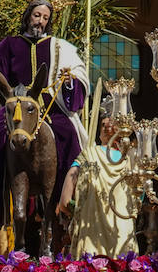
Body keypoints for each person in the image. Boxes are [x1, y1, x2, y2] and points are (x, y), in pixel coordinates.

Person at [0, 0, 88, 222]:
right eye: (37, 16)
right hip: (16, 103)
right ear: (28, 16)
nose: (40, 21)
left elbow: (77, 85)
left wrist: (68, 81)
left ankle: (71, 201)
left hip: (49, 106)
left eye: (45, 18)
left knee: (69, 135)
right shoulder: (10, 44)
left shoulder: (59, 47)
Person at [56, 110, 136, 257]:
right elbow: (72, 176)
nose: (106, 127)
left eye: (110, 125)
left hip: (105, 227)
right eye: (103, 125)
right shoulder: (91, 154)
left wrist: (72, 208)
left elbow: (65, 198)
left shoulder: (127, 159)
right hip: (104, 226)